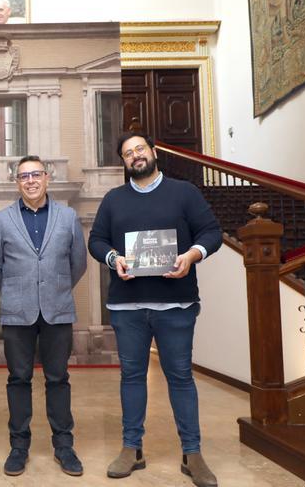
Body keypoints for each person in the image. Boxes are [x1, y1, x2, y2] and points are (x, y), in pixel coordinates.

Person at [88, 132, 221, 486]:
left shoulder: (184, 193)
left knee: (180, 378)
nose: (135, 156)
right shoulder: (113, 199)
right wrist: (113, 258)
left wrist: (192, 255)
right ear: (124, 161)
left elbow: (211, 233)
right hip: (127, 307)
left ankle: (192, 454)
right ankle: (132, 449)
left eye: (140, 149)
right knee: (131, 378)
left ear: (153, 152)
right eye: (128, 153)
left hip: (176, 305)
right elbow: (96, 241)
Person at [0, 155, 87, 477]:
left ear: (47, 178)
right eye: (23, 176)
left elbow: (78, 264)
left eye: (36, 174)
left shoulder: (68, 217)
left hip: (57, 310)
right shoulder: (1, 220)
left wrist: (54, 288)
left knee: (58, 379)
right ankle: (19, 446)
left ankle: (64, 446)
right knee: (18, 380)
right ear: (17, 182)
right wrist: (19, 291)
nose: (30, 180)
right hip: (17, 312)